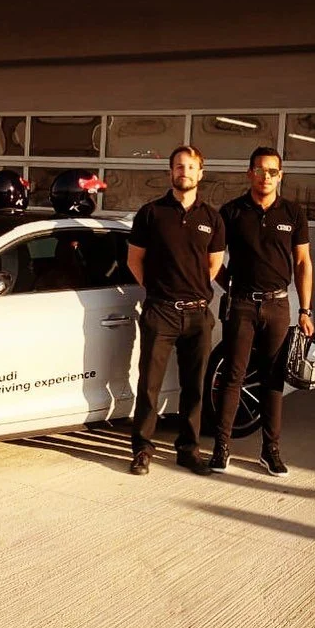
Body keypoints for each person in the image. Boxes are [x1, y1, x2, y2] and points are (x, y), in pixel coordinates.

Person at [209, 147, 314, 477]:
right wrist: (230, 285)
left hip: (278, 306)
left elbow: (303, 263)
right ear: (249, 173)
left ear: (280, 175)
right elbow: (212, 259)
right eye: (259, 170)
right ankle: (221, 448)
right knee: (233, 376)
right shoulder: (232, 212)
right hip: (241, 305)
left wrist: (306, 310)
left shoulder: (293, 213)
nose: (265, 176)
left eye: (272, 171)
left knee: (273, 378)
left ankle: (271, 451)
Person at [127, 145, 226, 476]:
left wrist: (192, 290)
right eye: (179, 167)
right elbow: (134, 260)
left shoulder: (212, 218)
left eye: (191, 167)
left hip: (198, 314)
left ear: (201, 173)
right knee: (149, 386)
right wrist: (157, 290)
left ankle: (188, 450)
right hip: (160, 312)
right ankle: (142, 449)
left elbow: (213, 265)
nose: (185, 172)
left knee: (194, 387)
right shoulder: (151, 213)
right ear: (170, 172)